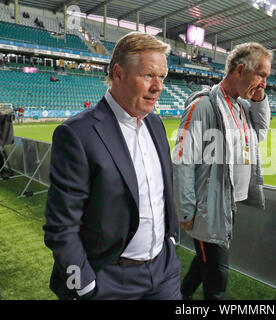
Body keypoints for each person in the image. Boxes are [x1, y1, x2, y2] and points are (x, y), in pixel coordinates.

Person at [43, 32, 181, 300]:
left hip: (164, 272)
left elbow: (163, 191)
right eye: (148, 75)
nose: (158, 87)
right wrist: (83, 285)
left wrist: (170, 241)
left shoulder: (155, 124)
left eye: (162, 77)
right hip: (110, 281)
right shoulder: (77, 134)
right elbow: (60, 227)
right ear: (118, 73)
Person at [173, 42, 272, 300]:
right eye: (260, 75)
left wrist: (259, 97)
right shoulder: (204, 105)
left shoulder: (239, 106)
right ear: (240, 70)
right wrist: (186, 209)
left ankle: (179, 297)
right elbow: (184, 158)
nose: (263, 82)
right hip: (208, 208)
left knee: (204, 263)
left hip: (228, 203)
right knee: (217, 283)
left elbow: (259, 133)